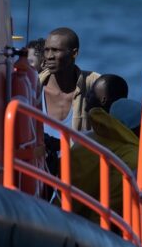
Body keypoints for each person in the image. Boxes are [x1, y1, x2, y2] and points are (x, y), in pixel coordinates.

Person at [71, 94, 142, 223]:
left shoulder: (87, 139)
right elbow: (108, 211)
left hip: (61, 216)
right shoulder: (131, 158)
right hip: (91, 231)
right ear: (137, 128)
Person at [38, 27, 99, 176]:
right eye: (46, 50)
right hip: (40, 175)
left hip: (80, 176)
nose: (49, 56)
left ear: (74, 53)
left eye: (56, 50)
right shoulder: (33, 87)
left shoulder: (93, 85)